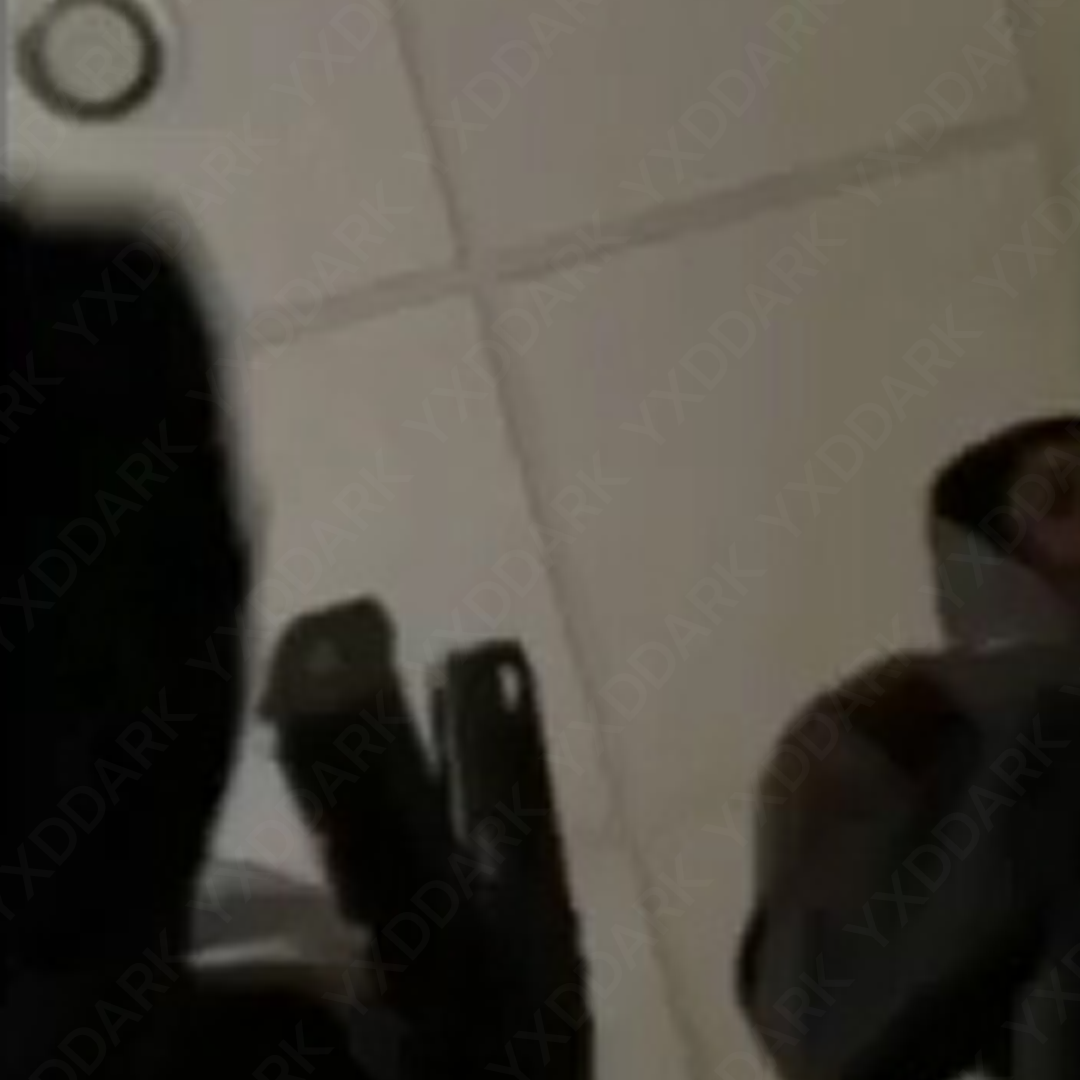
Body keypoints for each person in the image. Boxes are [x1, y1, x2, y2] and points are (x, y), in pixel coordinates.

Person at [738, 416, 1080, 1080]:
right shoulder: (900, 719)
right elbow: (823, 1025)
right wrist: (1049, 723)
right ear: (984, 552)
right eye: (1064, 495)